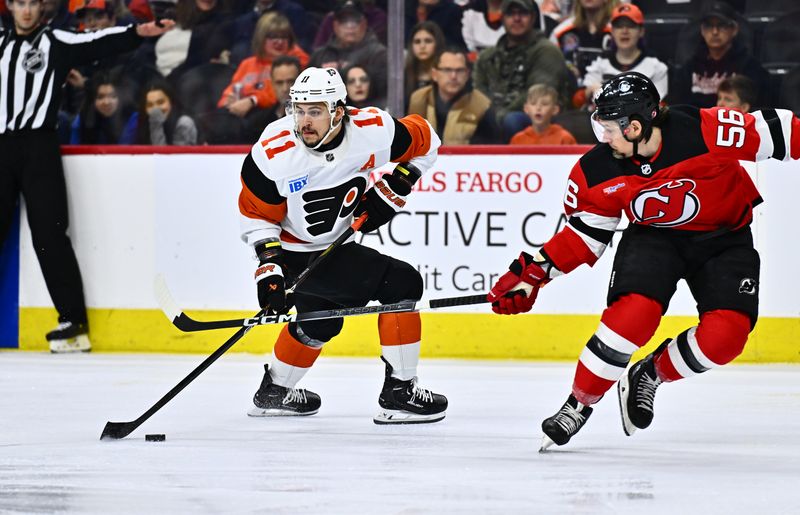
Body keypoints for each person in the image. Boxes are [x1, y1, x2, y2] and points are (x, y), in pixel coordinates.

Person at [486, 71, 800, 450]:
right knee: (633, 315)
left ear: (635, 126)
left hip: (724, 238)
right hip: (654, 238)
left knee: (726, 337)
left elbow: (782, 130)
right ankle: (578, 404)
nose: (602, 137)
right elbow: (586, 236)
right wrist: (535, 274)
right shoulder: (595, 171)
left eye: (608, 129)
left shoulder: (708, 130)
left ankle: (650, 374)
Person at [238, 66, 447, 423]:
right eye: (298, 109)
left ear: (338, 111)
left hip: (336, 246)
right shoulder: (274, 153)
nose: (304, 121)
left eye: (315, 111)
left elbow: (428, 140)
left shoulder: (373, 131)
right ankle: (400, 391)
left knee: (320, 322)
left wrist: (395, 186)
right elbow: (256, 215)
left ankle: (275, 390)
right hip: (294, 254)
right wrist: (270, 267)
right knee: (402, 284)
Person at [0, 0, 172, 352]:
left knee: (49, 233)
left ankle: (73, 323)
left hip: (39, 146)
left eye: (33, 3)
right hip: (1, 147)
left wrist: (136, 32)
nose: (27, 11)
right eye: (21, 3)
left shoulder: (55, 41)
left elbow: (97, 41)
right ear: (11, 7)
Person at [473, 0, 571, 141]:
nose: (517, 18)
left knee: (511, 120)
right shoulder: (488, 56)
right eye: (510, 14)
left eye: (523, 13)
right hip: (494, 113)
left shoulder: (546, 51)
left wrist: (500, 115)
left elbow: (539, 93)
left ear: (533, 18)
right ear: (502, 18)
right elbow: (478, 91)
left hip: (532, 116)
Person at [669, 1, 769, 109]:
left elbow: (758, 109)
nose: (715, 32)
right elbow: (675, 105)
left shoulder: (750, 68)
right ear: (702, 31)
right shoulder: (689, 68)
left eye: (721, 25)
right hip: (695, 123)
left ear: (734, 30)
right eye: (709, 26)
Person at [407, 47, 499, 145]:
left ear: (467, 75)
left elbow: (490, 150)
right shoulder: (418, 99)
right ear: (434, 74)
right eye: (447, 70)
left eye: (459, 70)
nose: (453, 76)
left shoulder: (482, 105)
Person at [582, 3, 668, 105]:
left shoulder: (656, 67)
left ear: (641, 31)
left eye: (630, 26)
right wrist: (590, 90)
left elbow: (661, 107)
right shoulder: (600, 63)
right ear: (612, 31)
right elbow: (578, 99)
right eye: (619, 26)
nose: (624, 31)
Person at [308, 0, 387, 102]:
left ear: (364, 23)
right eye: (344, 20)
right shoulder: (319, 56)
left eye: (355, 20)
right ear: (335, 26)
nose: (350, 26)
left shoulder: (379, 54)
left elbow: (384, 95)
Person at [121, 80, 197, 144]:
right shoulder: (143, 122)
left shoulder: (184, 122)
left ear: (171, 102)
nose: (156, 109)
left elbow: (170, 159)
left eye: (160, 102)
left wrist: (156, 125)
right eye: (150, 105)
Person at [69, 71, 132, 144]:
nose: (106, 102)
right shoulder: (81, 120)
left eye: (113, 96)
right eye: (100, 97)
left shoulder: (133, 120)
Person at [509, 84, 576, 145]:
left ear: (555, 110)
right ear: (526, 109)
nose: (538, 108)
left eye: (544, 104)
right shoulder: (518, 139)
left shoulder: (565, 138)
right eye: (533, 104)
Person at [403, 21, 444, 107]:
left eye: (428, 41)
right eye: (417, 42)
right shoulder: (404, 75)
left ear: (437, 43)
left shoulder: (446, 74)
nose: (422, 46)